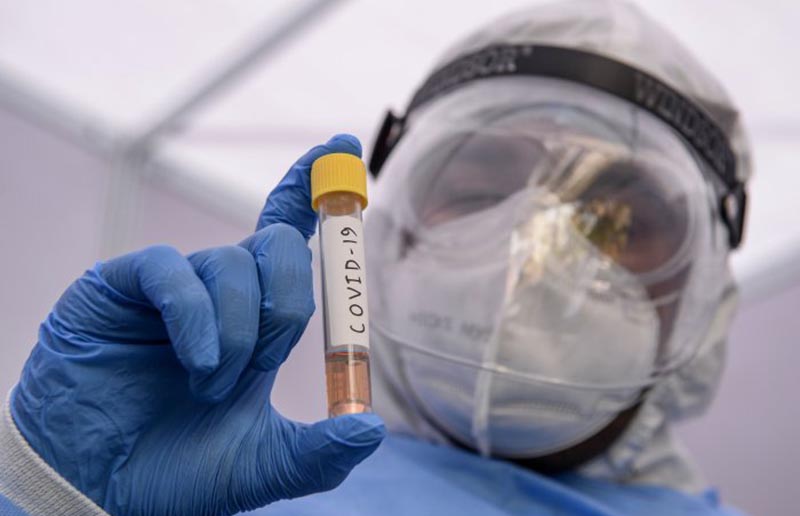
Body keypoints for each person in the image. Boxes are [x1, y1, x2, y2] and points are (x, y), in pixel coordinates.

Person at [0, 1, 752, 515]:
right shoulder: (237, 492)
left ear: (705, 298)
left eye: (615, 223)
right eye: (480, 189)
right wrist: (49, 496)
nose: (527, 253)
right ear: (390, 235)